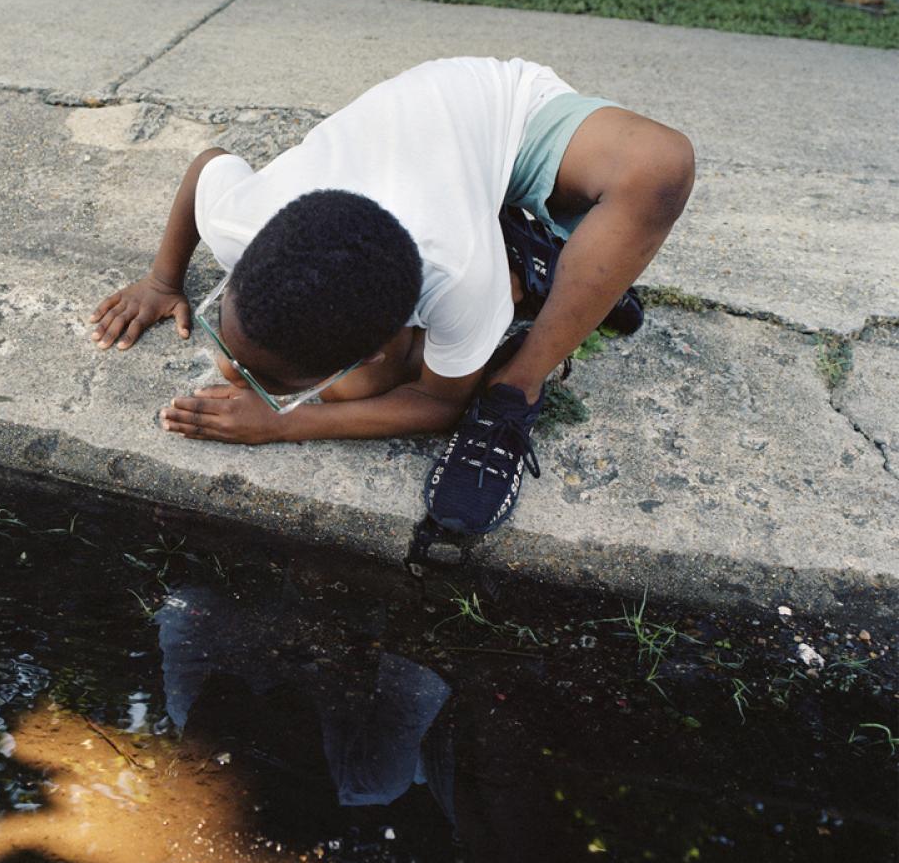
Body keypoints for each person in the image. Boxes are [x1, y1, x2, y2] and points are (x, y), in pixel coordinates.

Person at [89, 55, 694, 535]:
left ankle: (520, 378)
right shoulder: (239, 223)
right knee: (371, 385)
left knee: (661, 164)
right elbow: (208, 163)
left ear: (382, 341)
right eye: (229, 342)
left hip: (495, 115)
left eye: (282, 389)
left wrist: (284, 426)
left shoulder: (458, 274)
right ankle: (544, 260)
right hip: (426, 180)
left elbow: (437, 404)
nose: (228, 369)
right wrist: (162, 280)